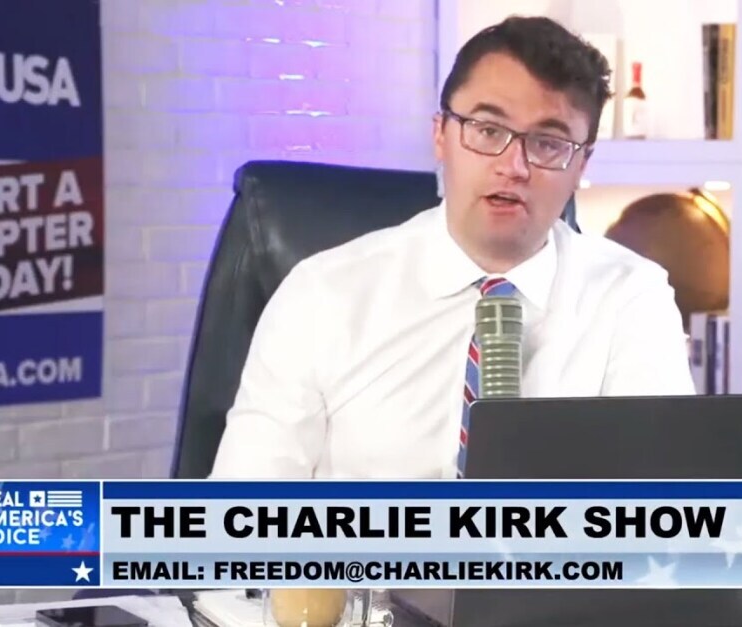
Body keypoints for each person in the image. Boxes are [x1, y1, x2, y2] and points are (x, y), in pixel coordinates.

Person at [210, 16, 695, 481]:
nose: (514, 166)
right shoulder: (322, 295)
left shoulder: (630, 297)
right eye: (488, 130)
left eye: (548, 143)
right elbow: (243, 512)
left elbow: (663, 506)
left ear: (582, 165)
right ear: (440, 135)